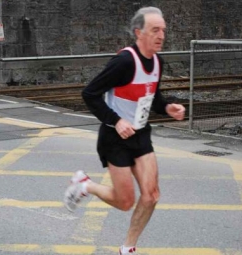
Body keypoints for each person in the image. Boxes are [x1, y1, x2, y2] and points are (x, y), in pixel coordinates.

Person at [64, 6, 185, 255]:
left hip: (140, 135)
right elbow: (90, 94)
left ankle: (127, 248)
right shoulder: (124, 61)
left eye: (163, 29)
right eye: (155, 30)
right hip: (114, 138)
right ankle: (86, 185)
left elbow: (152, 96)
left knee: (151, 195)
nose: (161, 35)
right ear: (139, 33)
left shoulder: (157, 62)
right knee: (125, 201)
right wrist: (117, 120)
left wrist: (167, 106)